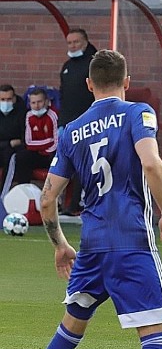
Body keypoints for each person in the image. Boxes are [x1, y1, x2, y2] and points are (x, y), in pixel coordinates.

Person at [28, 50, 162, 349]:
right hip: (130, 241)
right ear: (126, 82)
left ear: (89, 84)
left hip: (91, 247)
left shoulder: (72, 129)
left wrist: (61, 244)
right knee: (158, 337)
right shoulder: (138, 113)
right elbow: (151, 162)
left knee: (69, 330)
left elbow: (47, 200)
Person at [58, 28, 97, 215]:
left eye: (76, 42)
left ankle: (76, 205)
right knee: (64, 162)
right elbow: (63, 97)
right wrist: (62, 123)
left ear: (86, 42)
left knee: (84, 163)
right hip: (69, 124)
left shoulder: (94, 64)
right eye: (69, 42)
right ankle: (61, 204)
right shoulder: (67, 66)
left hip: (89, 123)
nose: (73, 46)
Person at [12, 88, 59, 187]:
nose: (36, 106)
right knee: (22, 157)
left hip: (51, 154)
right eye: (33, 103)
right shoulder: (29, 115)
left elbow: (56, 143)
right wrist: (47, 142)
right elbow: (28, 142)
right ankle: (24, 190)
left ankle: (55, 196)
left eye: (39, 102)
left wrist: (43, 146)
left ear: (46, 102)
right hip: (37, 153)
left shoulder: (53, 115)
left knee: (55, 158)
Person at [0, 84, 26, 194]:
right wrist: (9, 143)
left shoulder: (21, 113)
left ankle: (2, 195)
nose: (6, 102)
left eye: (9, 99)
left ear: (14, 99)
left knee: (10, 158)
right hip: (6, 145)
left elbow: (23, 139)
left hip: (13, 151)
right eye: (2, 99)